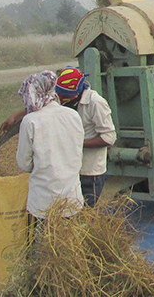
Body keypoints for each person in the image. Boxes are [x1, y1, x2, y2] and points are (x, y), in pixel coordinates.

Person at [15, 70, 85, 219]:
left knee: (46, 241)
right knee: (72, 240)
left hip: (43, 203)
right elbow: (78, 152)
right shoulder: (72, 115)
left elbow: (24, 164)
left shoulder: (30, 121)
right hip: (72, 199)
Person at [54, 66, 116, 206]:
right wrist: (14, 117)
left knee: (85, 211)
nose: (61, 99)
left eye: (65, 96)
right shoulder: (63, 99)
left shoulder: (96, 103)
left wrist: (77, 143)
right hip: (69, 169)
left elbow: (109, 137)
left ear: (77, 93)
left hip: (90, 171)